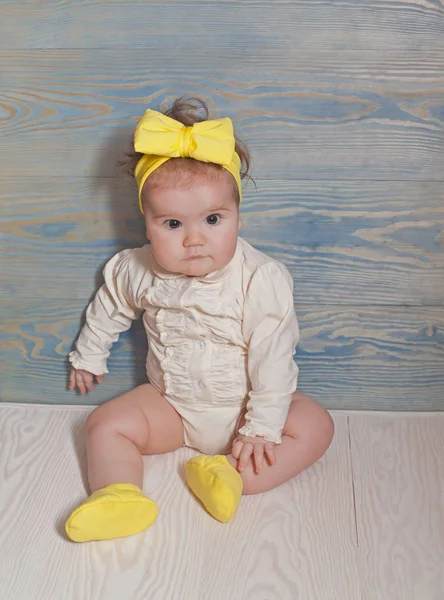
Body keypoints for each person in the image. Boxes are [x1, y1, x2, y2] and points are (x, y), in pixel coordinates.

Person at [65, 97, 334, 543]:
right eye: (172, 223)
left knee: (315, 424)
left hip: (244, 409)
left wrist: (263, 427)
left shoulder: (260, 279)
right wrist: (90, 355)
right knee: (104, 424)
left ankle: (229, 476)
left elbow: (274, 359)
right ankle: (119, 495)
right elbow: (109, 306)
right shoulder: (138, 268)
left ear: (237, 216)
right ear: (146, 223)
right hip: (171, 404)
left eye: (212, 219)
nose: (194, 239)